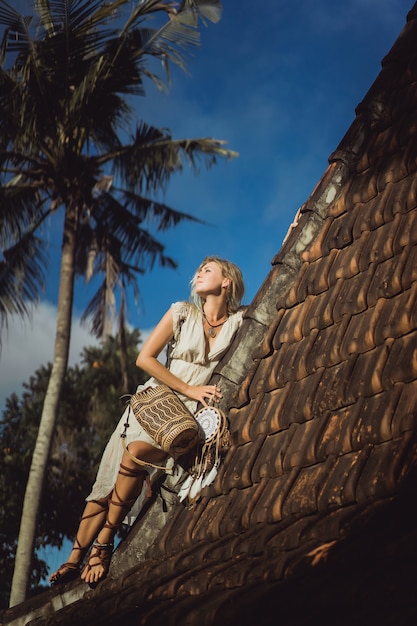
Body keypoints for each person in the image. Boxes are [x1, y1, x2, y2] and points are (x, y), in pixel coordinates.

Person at [49, 256, 245, 586]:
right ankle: (74, 558)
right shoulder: (182, 312)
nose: (198, 274)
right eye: (197, 270)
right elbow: (145, 358)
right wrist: (189, 388)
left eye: (207, 270)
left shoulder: (238, 321)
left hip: (184, 419)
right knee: (107, 483)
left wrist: (296, 227)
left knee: (133, 458)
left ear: (226, 282)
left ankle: (103, 543)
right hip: (152, 405)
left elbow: (276, 292)